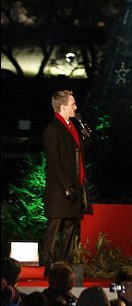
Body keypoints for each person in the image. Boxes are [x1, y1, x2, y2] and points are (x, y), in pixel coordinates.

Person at [41, 90, 92, 273]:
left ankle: (66, 262)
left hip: (74, 185)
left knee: (70, 226)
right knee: (54, 226)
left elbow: (78, 152)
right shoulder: (53, 129)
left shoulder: (72, 126)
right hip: (60, 189)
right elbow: (54, 163)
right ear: (63, 107)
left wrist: (86, 137)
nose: (75, 107)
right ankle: (48, 263)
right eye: (72, 104)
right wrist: (65, 186)